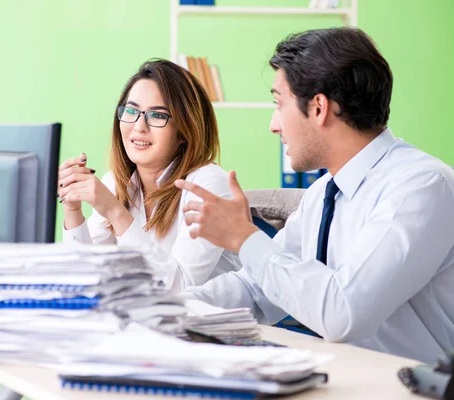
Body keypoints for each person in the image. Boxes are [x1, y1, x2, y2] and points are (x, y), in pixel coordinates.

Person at [175, 27, 454, 363]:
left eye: (279, 104)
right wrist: (165, 307)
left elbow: (342, 312)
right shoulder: (321, 193)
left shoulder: (421, 187)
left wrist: (245, 238)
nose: (273, 124)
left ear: (319, 107)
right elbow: (258, 289)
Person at [58, 59, 241, 292]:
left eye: (157, 115)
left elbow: (179, 288)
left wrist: (116, 212)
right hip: (146, 321)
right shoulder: (115, 182)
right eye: (131, 111)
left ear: (185, 130)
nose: (139, 126)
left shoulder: (209, 184)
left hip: (209, 323)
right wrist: (72, 209)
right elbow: (86, 279)